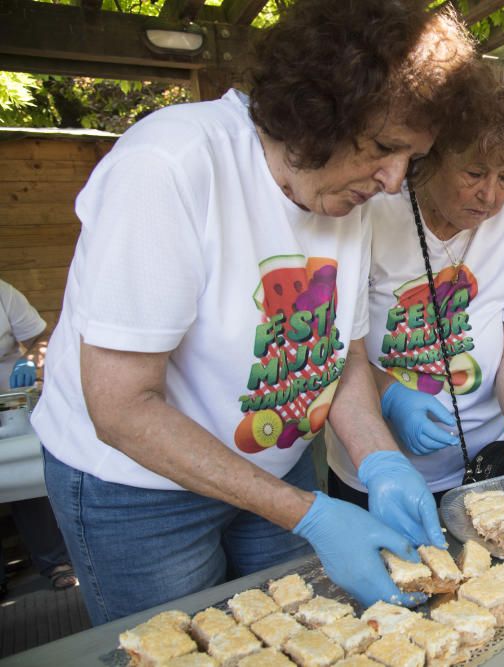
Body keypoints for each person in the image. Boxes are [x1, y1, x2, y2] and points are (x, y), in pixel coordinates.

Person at [30, 0, 477, 624]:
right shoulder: (171, 165)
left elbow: (336, 352)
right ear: (320, 110)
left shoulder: (348, 195)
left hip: (278, 462)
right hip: (142, 491)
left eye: (412, 158)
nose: (395, 180)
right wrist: (312, 514)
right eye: (383, 148)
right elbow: (121, 407)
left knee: (311, 636)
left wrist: (380, 459)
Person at [326, 61, 504, 500]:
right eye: (474, 173)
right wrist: (389, 395)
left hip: (486, 464)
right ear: (431, 155)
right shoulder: (369, 213)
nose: (491, 196)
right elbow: (333, 350)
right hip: (374, 469)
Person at [0, 279, 77, 598]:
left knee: (27, 479)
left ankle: (55, 561)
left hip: (11, 402)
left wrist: (29, 360)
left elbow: (39, 338)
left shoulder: (3, 292)